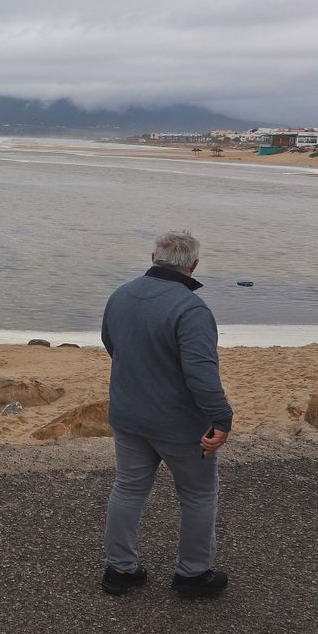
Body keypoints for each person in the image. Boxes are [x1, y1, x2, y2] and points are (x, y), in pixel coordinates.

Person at [98, 230, 233, 598]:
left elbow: (112, 345)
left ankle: (120, 570)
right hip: (180, 426)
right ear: (193, 265)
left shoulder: (121, 295)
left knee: (128, 489)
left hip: (129, 415)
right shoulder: (191, 309)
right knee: (199, 494)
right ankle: (192, 575)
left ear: (153, 256)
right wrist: (222, 418)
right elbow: (201, 375)